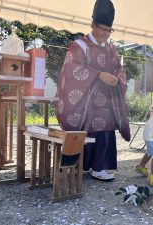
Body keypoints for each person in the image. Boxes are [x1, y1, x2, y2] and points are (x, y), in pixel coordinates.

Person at [55, 0, 130, 181]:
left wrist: (117, 78)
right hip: (82, 101)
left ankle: (100, 167)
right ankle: (75, 167)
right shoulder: (79, 45)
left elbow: (119, 69)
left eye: (109, 30)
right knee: (81, 129)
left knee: (105, 128)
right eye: (103, 29)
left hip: (105, 100)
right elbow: (71, 69)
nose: (105, 34)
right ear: (92, 25)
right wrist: (98, 75)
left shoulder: (111, 49)